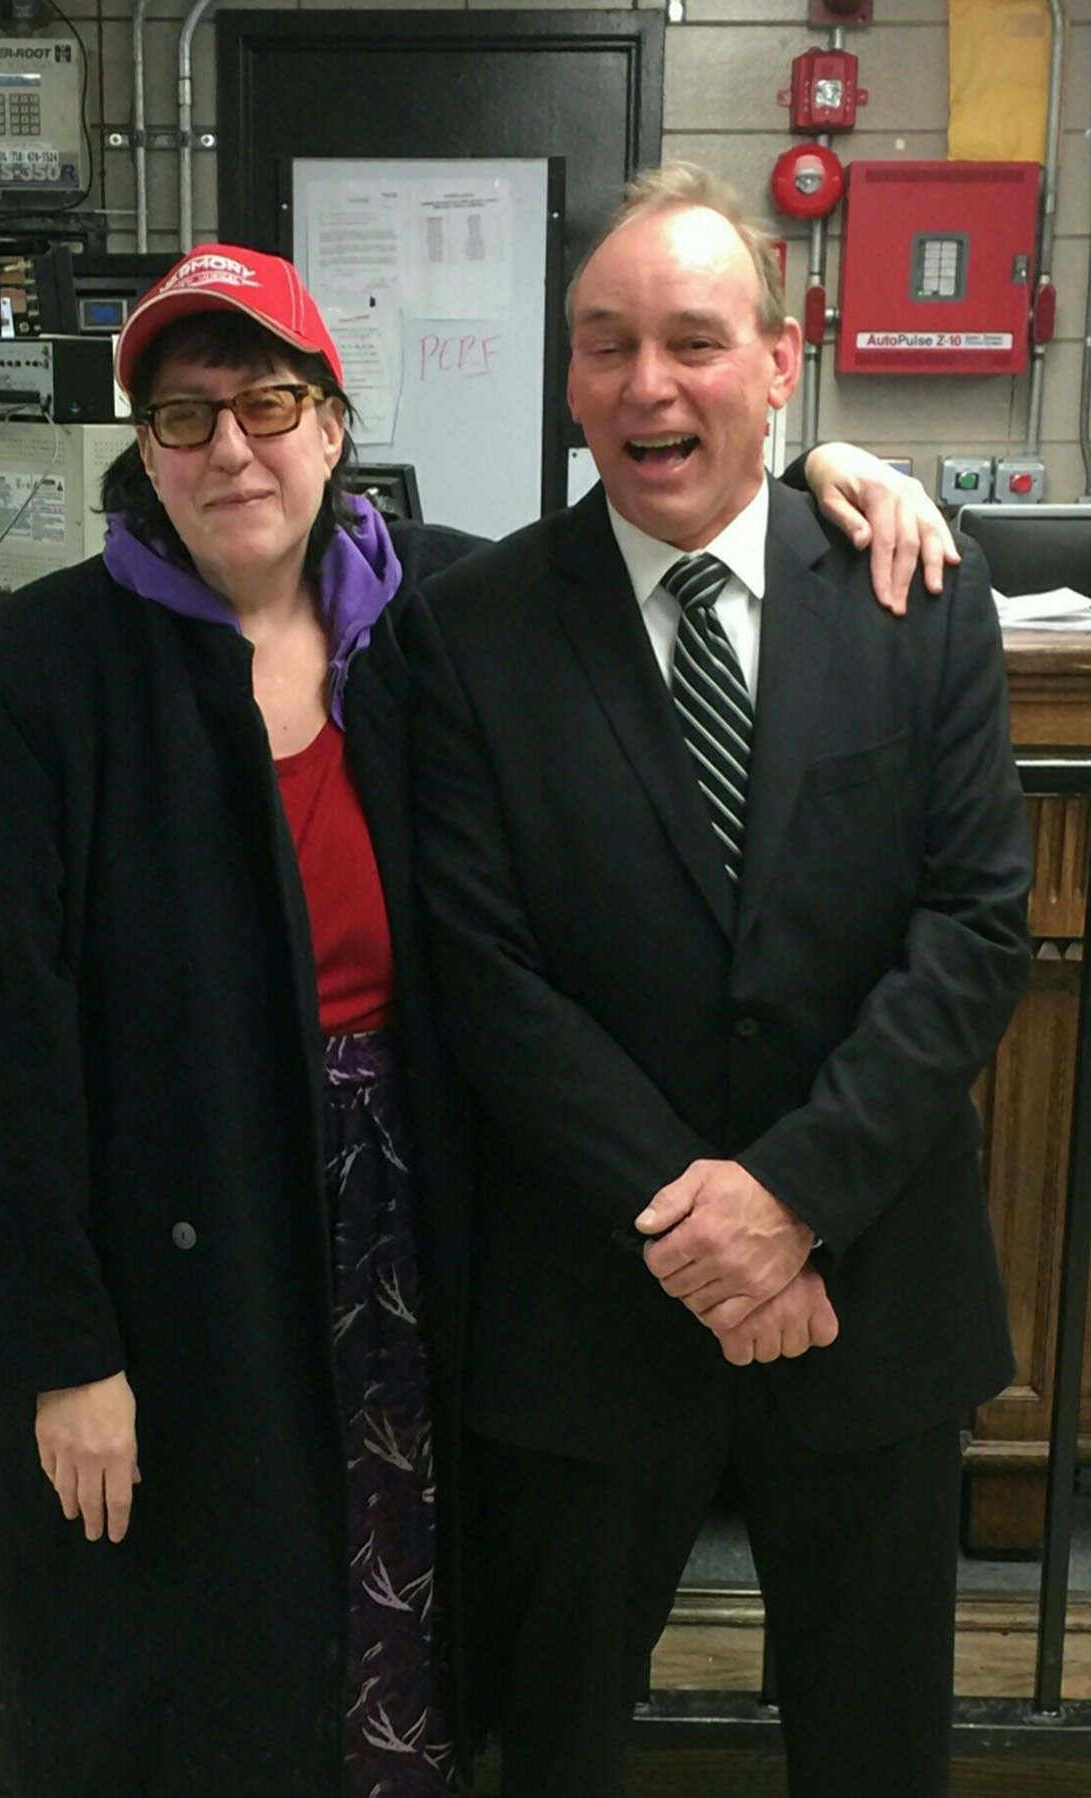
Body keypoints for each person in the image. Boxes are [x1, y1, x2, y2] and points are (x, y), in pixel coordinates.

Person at [0, 236, 950, 1798]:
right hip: (183, 1249)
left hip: (422, 1218)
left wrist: (830, 475)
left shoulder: (446, 614)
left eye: (267, 402)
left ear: (333, 420)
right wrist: (59, 1350)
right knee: (187, 1648)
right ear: (145, 451)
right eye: (184, 419)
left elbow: (662, 523)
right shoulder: (41, 675)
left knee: (401, 1612)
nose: (232, 449)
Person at [393, 164, 1034, 1798]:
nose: (646, 382)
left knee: (878, 1751)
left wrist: (795, 1200)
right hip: (592, 1300)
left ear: (780, 357)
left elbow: (972, 928)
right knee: (551, 1751)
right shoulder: (465, 634)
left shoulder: (916, 593)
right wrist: (710, 1224)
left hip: (871, 1291)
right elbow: (486, 973)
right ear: (570, 380)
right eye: (604, 344)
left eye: (691, 338)